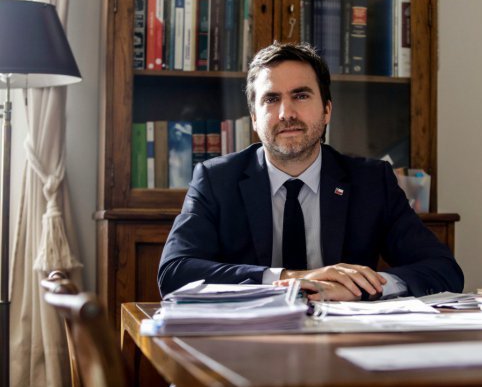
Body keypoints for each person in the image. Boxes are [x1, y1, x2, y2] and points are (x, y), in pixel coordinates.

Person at [158, 42, 464, 301]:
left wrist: (360, 287)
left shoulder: (372, 181)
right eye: (271, 99)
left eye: (301, 95)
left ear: (327, 110)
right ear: (254, 117)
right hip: (246, 344)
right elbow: (175, 272)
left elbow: (443, 269)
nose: (286, 113)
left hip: (346, 341)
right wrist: (290, 279)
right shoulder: (216, 180)